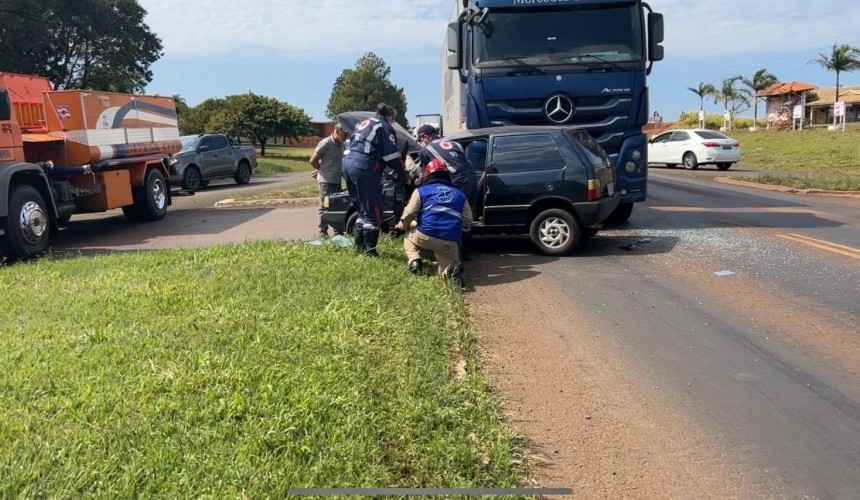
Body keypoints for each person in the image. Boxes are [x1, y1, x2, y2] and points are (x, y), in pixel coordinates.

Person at [342, 103, 411, 256]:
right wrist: (404, 177)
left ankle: (358, 248)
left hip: (347, 164)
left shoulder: (362, 124)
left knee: (362, 211)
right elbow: (393, 156)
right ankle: (370, 253)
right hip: (365, 167)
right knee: (374, 212)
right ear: (390, 117)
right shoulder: (384, 126)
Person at [395, 159, 473, 281]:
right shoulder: (460, 194)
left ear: (428, 175)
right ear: (447, 175)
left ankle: (415, 260)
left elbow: (409, 213)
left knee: (408, 236)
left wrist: (403, 225)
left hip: (424, 236)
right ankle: (451, 274)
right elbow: (468, 221)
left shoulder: (420, 191)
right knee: (449, 275)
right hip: (449, 241)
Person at [415, 124, 477, 261]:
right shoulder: (455, 144)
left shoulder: (427, 149)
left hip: (455, 180)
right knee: (465, 213)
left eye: (421, 140)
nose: (421, 142)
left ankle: (453, 255)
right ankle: (466, 252)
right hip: (472, 179)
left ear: (425, 137)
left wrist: (418, 182)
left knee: (452, 214)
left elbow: (427, 174)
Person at [309, 122, 350, 237]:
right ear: (337, 131)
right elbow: (313, 160)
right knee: (324, 206)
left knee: (336, 205)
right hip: (326, 182)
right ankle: (323, 232)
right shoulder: (325, 143)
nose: (346, 137)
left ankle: (338, 232)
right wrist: (321, 170)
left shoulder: (341, 144)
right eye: (344, 134)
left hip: (337, 180)